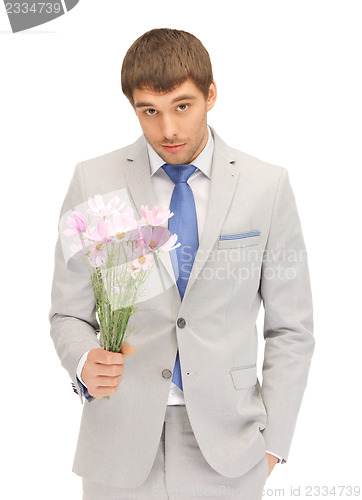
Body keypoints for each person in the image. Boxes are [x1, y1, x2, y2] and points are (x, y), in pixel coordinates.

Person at [49, 28, 315, 500]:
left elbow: (290, 328)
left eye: (182, 106)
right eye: (149, 111)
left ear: (211, 95)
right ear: (133, 106)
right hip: (117, 444)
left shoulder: (266, 186)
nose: (167, 129)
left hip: (230, 447)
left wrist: (273, 444)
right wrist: (85, 360)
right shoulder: (94, 180)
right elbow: (69, 311)